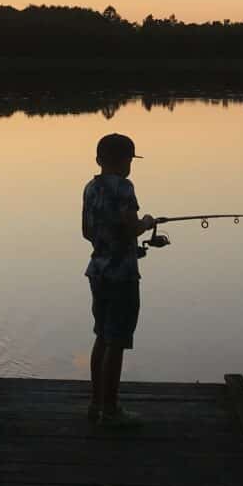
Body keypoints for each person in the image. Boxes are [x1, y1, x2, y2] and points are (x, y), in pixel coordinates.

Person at [81, 132, 154, 426]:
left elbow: (87, 232)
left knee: (101, 336)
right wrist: (146, 223)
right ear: (126, 162)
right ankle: (111, 412)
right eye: (128, 160)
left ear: (99, 159)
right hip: (122, 274)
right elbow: (129, 226)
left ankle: (96, 404)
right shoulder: (125, 188)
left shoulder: (90, 188)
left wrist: (123, 245)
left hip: (97, 269)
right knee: (117, 340)